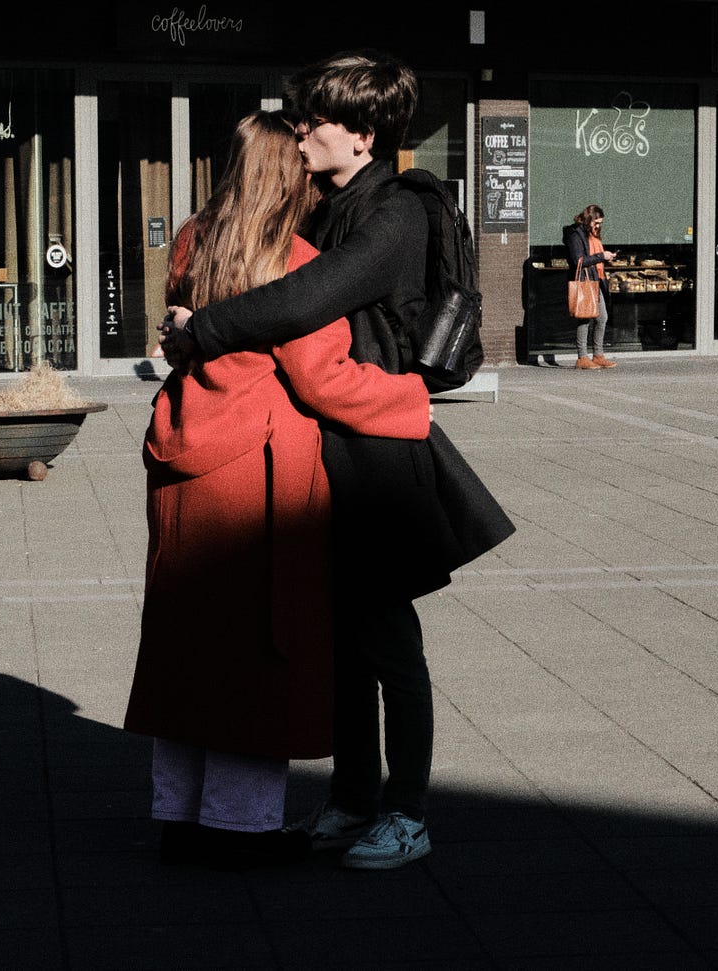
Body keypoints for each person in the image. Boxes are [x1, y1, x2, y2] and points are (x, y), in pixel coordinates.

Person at [161, 50, 510, 870]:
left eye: (315, 118)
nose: (302, 128)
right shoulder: (327, 205)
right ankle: (354, 798)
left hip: (382, 452)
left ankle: (409, 812)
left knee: (389, 642)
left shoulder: (396, 214)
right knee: (340, 642)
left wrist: (199, 330)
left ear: (361, 134)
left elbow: (304, 299)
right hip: (328, 449)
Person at [121, 110, 432, 871]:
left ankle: (179, 819)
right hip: (258, 473)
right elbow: (320, 376)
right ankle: (240, 827)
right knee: (258, 649)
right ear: (287, 173)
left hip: (184, 458)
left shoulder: (193, 238)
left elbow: (178, 335)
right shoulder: (292, 258)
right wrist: (412, 401)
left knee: (187, 646)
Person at [564, 204, 617, 369]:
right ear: (588, 220)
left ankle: (598, 355)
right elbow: (578, 260)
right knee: (584, 317)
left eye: (600, 223)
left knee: (602, 317)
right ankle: (582, 357)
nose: (598, 226)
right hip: (584, 280)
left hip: (595, 279)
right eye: (596, 222)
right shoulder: (575, 234)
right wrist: (601, 256)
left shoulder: (591, 235)